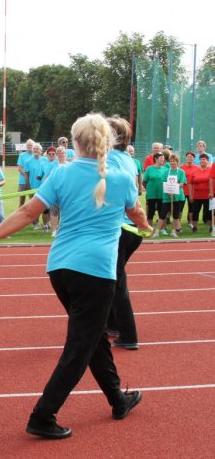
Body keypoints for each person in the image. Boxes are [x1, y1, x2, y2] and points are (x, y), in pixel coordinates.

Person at [0, 113, 150, 439]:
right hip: (96, 272)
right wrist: (146, 227)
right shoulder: (122, 177)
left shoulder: (62, 174)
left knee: (92, 338)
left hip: (61, 269)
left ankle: (117, 398)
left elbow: (26, 212)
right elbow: (135, 213)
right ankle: (43, 415)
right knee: (81, 346)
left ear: (75, 142)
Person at [104, 116, 145, 351]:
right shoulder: (127, 159)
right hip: (131, 228)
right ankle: (113, 325)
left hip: (120, 228)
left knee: (116, 282)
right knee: (111, 277)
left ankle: (128, 334)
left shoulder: (108, 160)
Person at [154, 154, 186, 237]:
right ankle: (157, 231)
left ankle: (173, 231)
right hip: (167, 197)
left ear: (177, 162)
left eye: (174, 161)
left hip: (178, 197)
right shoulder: (166, 172)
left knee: (176, 215)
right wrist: (169, 191)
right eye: (171, 161)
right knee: (162, 215)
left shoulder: (181, 172)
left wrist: (174, 188)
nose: (172, 163)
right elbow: (163, 183)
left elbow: (182, 183)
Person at [188, 154, 212, 234]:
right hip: (197, 196)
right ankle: (195, 227)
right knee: (195, 211)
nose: (202, 161)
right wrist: (191, 195)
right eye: (201, 159)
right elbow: (190, 183)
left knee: (209, 213)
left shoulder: (211, 170)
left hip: (209, 196)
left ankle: (211, 227)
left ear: (207, 161)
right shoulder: (195, 171)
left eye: (204, 159)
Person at [142, 152, 167, 228]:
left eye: (163, 158)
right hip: (151, 194)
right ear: (156, 159)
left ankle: (162, 228)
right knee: (151, 212)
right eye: (161, 158)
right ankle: (149, 227)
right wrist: (149, 189)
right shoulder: (149, 168)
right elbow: (144, 182)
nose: (163, 160)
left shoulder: (166, 169)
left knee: (162, 212)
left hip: (162, 194)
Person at [180, 151, 197, 229]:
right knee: (180, 207)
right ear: (186, 158)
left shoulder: (196, 168)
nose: (190, 158)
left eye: (192, 157)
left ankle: (190, 222)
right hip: (182, 191)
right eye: (188, 157)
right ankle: (178, 222)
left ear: (194, 158)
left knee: (192, 207)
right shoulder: (181, 167)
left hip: (192, 191)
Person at [16, 139, 34, 207]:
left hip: (32, 182)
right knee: (21, 201)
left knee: (32, 200)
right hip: (23, 181)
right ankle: (20, 217)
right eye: (28, 145)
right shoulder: (22, 155)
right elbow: (20, 168)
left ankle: (32, 217)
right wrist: (27, 176)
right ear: (26, 146)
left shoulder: (35, 156)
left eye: (31, 145)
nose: (29, 146)